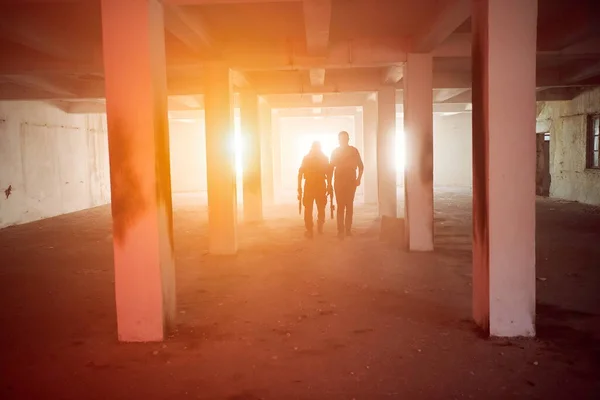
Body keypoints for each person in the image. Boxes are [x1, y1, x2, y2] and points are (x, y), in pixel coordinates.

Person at [330, 131, 364, 239]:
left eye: (345, 138)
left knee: (349, 205)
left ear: (348, 139)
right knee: (340, 206)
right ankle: (340, 231)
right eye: (341, 139)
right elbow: (331, 168)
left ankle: (348, 230)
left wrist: (359, 178)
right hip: (339, 182)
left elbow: (361, 166)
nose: (343, 140)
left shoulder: (354, 151)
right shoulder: (335, 152)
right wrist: (329, 184)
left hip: (350, 181)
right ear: (338, 140)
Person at [297, 141, 332, 238]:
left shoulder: (322, 158)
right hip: (312, 186)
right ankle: (310, 229)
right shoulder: (308, 158)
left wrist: (329, 185)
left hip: (318, 185)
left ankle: (317, 226)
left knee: (319, 207)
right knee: (309, 208)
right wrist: (299, 188)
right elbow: (300, 174)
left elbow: (328, 173)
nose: (316, 150)